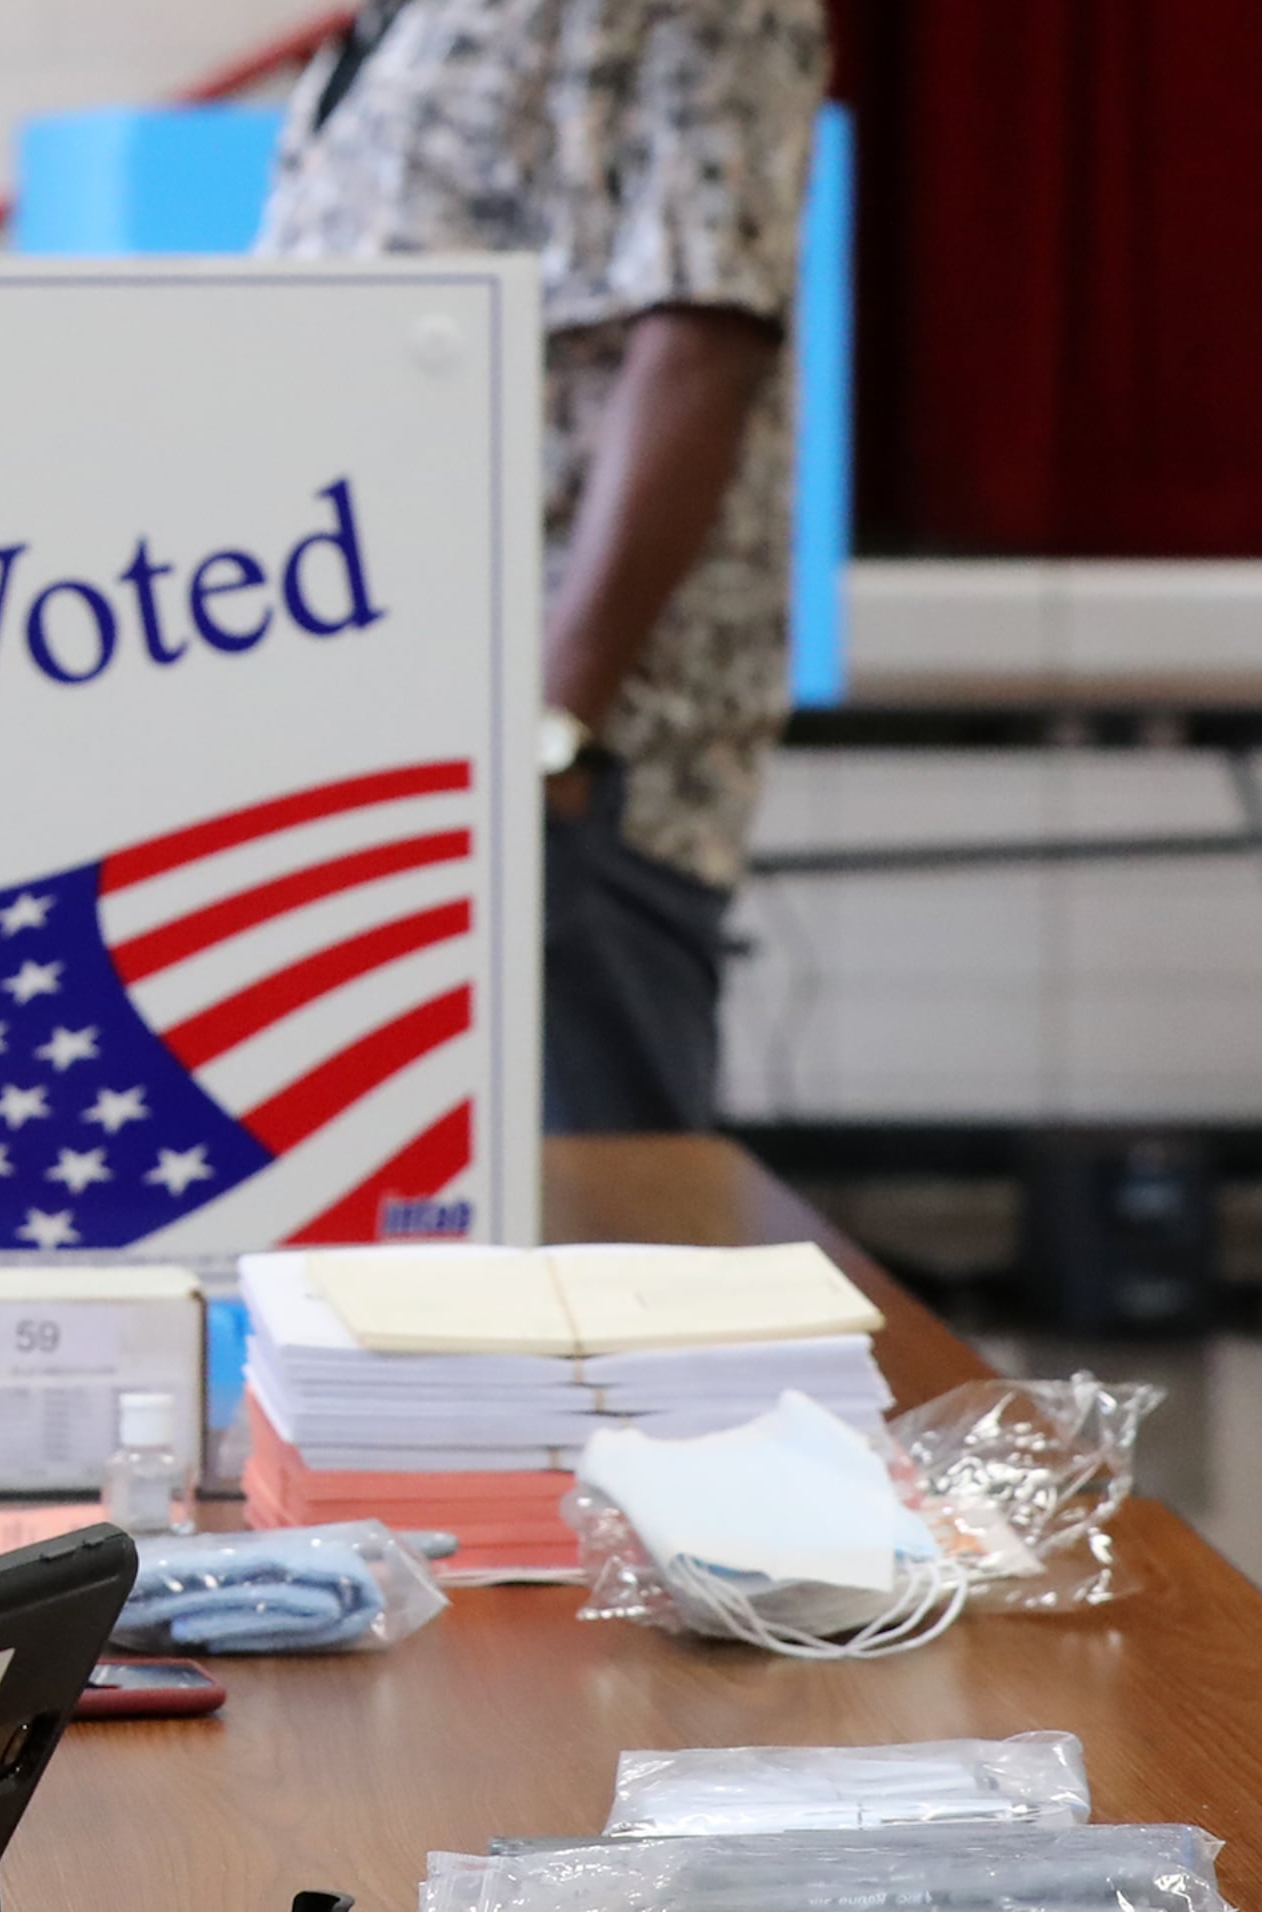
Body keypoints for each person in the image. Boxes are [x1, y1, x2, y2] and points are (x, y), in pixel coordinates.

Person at [259, 0, 826, 1132]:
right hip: (381, 756)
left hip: (556, 790)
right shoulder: (393, 27)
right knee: (405, 1270)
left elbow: (701, 335)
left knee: (597, 1253)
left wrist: (551, 736)